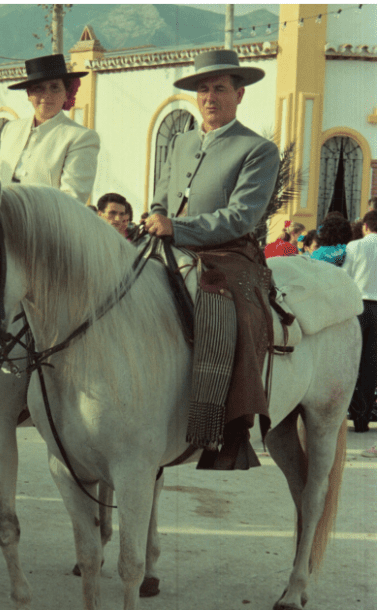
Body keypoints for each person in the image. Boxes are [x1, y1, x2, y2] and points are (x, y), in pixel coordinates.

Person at [146, 49, 280, 470]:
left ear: (239, 94)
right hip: (169, 244)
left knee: (234, 314)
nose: (209, 96)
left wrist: (179, 229)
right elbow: (160, 194)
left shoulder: (257, 149)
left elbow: (242, 215)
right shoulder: (182, 141)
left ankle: (228, 426)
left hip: (228, 253)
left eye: (219, 88)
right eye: (203, 89)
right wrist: (155, 216)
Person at [0, 54, 100, 204]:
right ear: (29, 94)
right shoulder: (10, 129)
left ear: (66, 94)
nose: (46, 95)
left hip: (47, 225)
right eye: (38, 88)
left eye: (55, 87)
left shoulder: (80, 137)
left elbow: (72, 199)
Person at [342, 210, 377, 438]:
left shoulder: (354, 247)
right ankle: (363, 418)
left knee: (350, 361)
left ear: (365, 226)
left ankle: (349, 411)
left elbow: (346, 277)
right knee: (371, 365)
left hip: (359, 306)